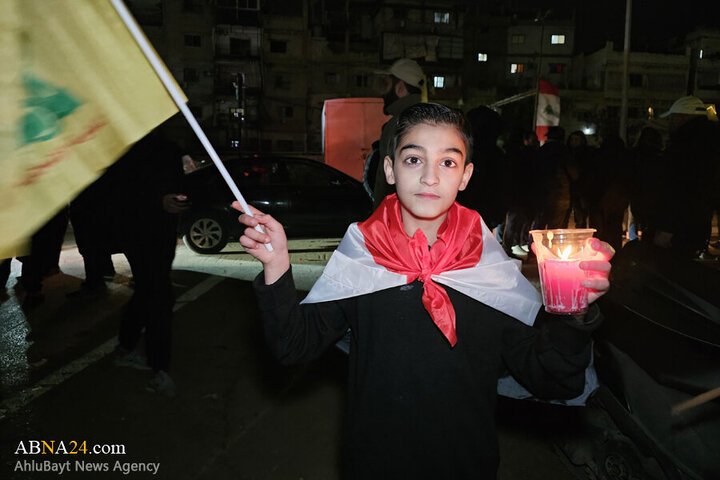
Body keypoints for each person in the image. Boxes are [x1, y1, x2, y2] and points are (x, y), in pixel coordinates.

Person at [235, 103, 614, 479]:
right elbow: (292, 344)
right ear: (390, 168)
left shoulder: (490, 271)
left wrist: (574, 308)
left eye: (447, 162)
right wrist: (277, 266)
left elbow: (553, 378)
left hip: (465, 464)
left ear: (465, 176)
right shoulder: (362, 257)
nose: (430, 176)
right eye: (414, 159)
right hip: (373, 464)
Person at [110, 127, 190, 396]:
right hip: (139, 233)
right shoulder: (129, 147)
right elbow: (118, 193)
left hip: (163, 233)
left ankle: (125, 347)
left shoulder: (170, 148)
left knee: (148, 291)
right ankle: (159, 368)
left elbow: (180, 184)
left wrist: (182, 197)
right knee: (159, 294)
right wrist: (159, 201)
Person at [653, 95, 720, 258]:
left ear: (682, 117)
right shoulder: (711, 143)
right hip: (700, 223)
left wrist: (667, 228)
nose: (670, 123)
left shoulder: (684, 146)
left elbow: (679, 190)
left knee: (673, 270)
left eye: (672, 118)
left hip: (679, 229)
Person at [369, 58, 425, 208]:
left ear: (400, 88)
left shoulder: (399, 123)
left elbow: (388, 182)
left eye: (386, 85)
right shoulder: (426, 119)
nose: (383, 93)